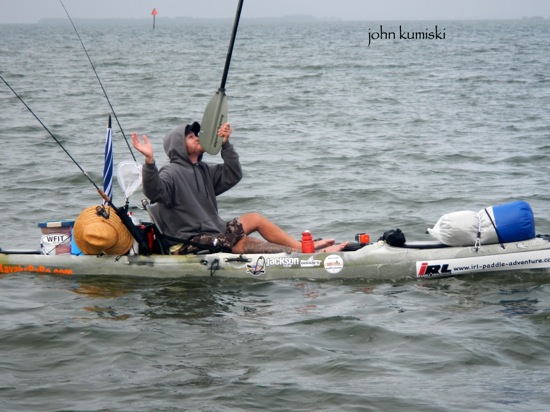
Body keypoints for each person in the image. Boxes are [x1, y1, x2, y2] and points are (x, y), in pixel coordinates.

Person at [131, 121, 348, 254]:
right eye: (190, 136)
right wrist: (150, 161)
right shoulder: (170, 172)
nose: (197, 137)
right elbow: (154, 192)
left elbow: (233, 174)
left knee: (254, 218)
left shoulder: (203, 169)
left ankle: (301, 248)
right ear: (178, 146)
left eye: (196, 134)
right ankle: (303, 255)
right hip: (190, 240)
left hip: (215, 231)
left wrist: (225, 145)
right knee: (239, 242)